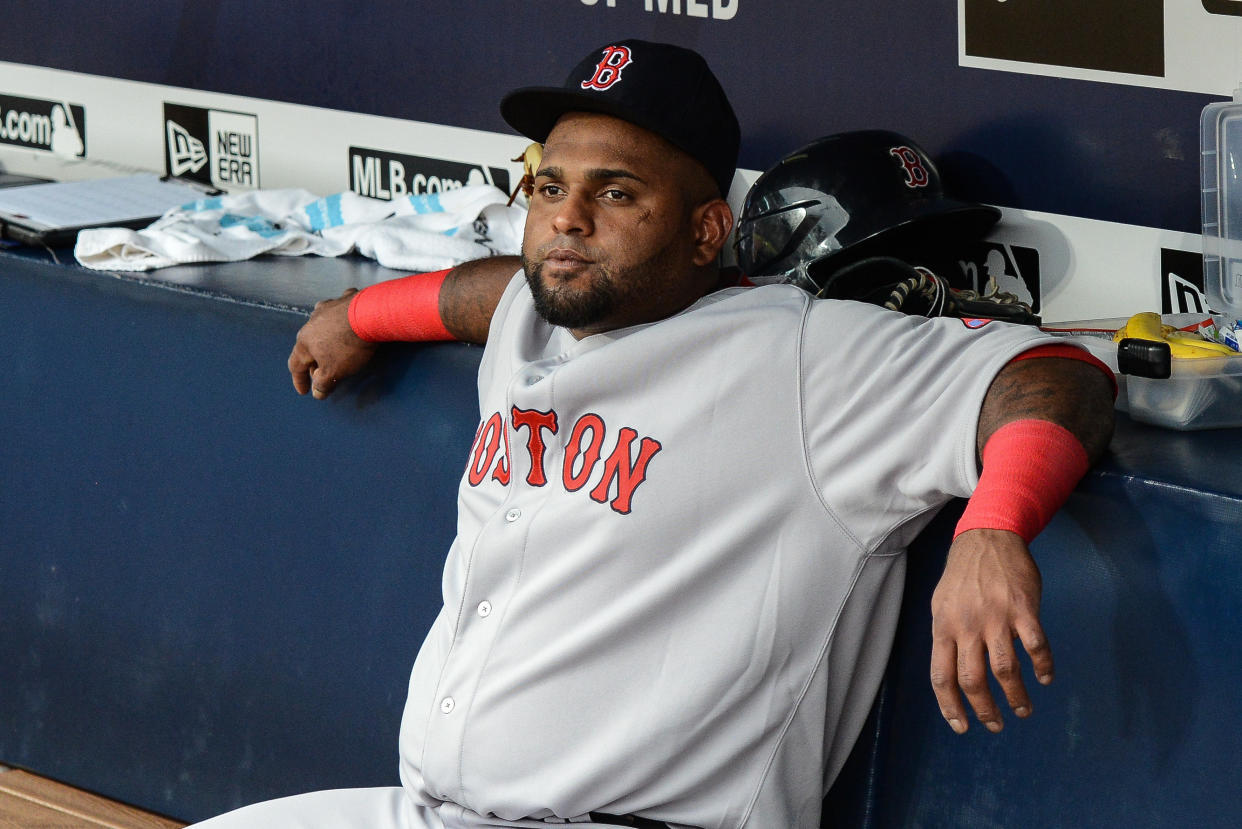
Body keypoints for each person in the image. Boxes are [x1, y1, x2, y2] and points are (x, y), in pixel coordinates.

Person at [206, 39, 1115, 829]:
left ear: (705, 230)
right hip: (432, 806)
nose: (568, 216)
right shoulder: (541, 310)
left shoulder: (803, 354)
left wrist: (994, 524)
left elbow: (1051, 374)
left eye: (618, 193)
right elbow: (482, 291)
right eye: (550, 186)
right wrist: (360, 312)